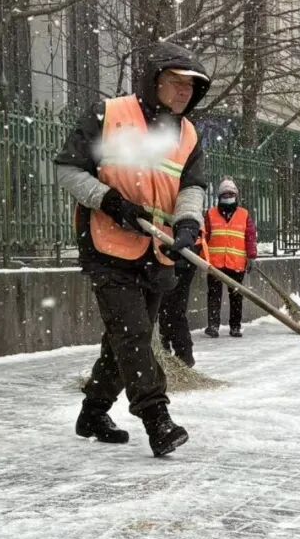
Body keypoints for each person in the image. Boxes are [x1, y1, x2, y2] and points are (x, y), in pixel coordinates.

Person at [55, 42, 210, 457]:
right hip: (107, 246)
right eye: (175, 83)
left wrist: (188, 223)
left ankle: (93, 412)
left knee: (122, 341)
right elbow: (68, 169)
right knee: (134, 335)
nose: (184, 92)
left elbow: (192, 186)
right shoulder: (109, 115)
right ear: (153, 80)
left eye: (191, 87)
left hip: (156, 250)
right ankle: (157, 418)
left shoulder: (187, 134)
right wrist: (111, 202)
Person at [204, 178, 258, 338]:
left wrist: (251, 256)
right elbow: (204, 236)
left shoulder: (244, 214)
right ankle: (213, 326)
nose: (228, 197)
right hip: (215, 263)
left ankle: (235, 326)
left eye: (231, 194)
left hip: (236, 263)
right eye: (225, 194)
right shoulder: (211, 214)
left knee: (236, 296)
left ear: (236, 196)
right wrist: (200, 256)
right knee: (214, 295)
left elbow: (250, 237)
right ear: (219, 197)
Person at [158, 229, 205, 366]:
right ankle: (179, 355)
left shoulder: (187, 223)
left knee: (169, 308)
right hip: (181, 253)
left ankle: (177, 355)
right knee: (171, 309)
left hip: (179, 254)